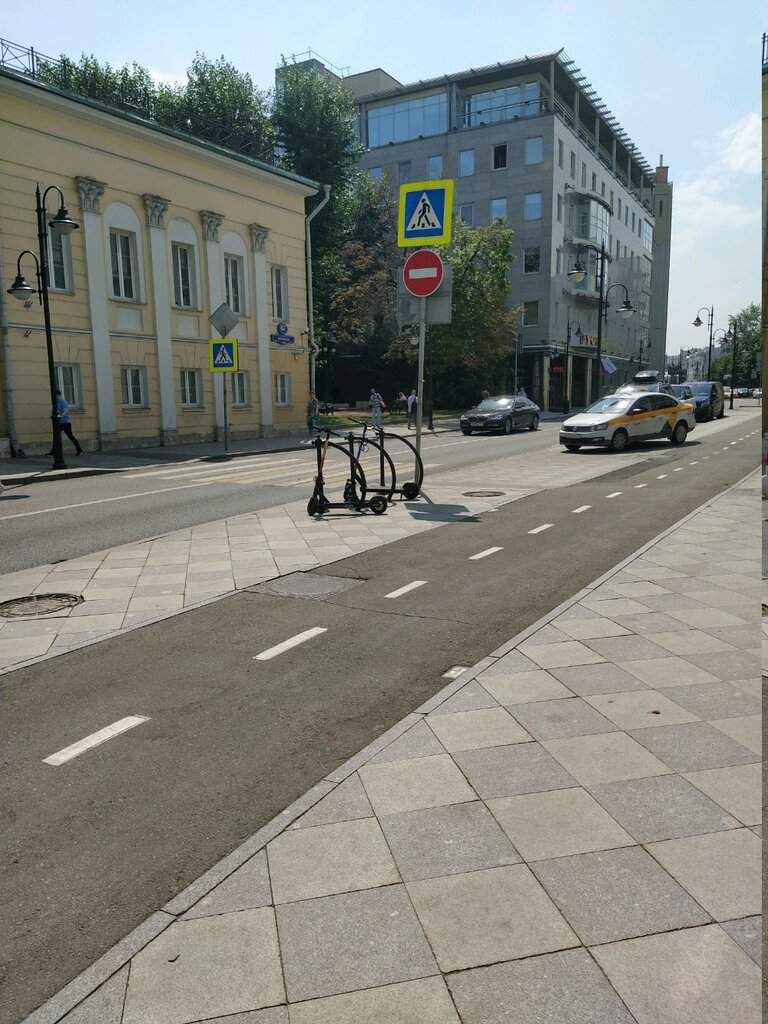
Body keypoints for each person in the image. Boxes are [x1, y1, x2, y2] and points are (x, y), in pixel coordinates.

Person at [48, 389, 82, 456]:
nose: (54, 398)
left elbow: (65, 411)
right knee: (56, 438)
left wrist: (60, 417)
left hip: (66, 423)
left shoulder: (63, 402)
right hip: (59, 423)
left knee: (70, 436)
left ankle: (79, 450)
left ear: (58, 395)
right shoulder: (57, 403)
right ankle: (53, 452)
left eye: (55, 396)